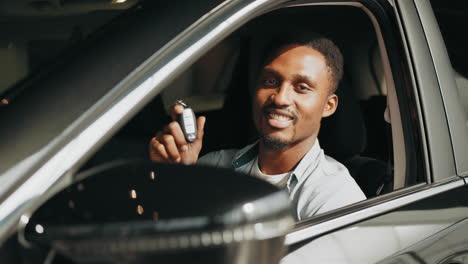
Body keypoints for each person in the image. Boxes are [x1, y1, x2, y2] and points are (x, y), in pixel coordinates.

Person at [149, 33, 366, 220]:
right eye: (271, 82)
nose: (280, 98)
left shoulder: (335, 196)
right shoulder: (213, 167)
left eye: (301, 87)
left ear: (328, 106)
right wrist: (174, 178)